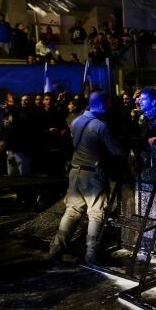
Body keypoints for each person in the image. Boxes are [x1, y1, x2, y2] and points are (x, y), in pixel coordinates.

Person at [48, 92, 125, 264]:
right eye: (109, 103)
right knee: (96, 214)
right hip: (93, 175)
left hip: (75, 172)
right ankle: (91, 255)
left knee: (72, 211)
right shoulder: (100, 126)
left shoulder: (76, 121)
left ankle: (56, 249)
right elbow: (116, 150)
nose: (110, 107)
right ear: (103, 104)